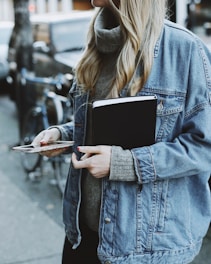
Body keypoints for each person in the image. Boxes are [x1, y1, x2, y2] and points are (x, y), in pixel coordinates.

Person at [32, 0, 211, 263]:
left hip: (144, 251)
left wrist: (125, 164)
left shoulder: (184, 49)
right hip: (82, 237)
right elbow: (101, 127)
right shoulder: (96, 46)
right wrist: (62, 135)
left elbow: (202, 147)